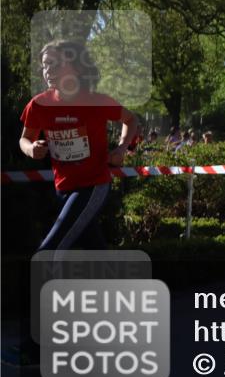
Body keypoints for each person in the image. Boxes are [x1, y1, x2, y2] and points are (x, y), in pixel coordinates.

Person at [19, 40, 139, 251]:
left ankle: (34, 283)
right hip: (63, 187)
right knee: (93, 248)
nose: (47, 71)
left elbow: (131, 120)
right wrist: (31, 149)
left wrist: (121, 148)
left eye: (54, 65)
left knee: (49, 250)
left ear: (78, 68)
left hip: (93, 184)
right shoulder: (38, 105)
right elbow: (24, 139)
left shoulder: (97, 102)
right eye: (45, 65)